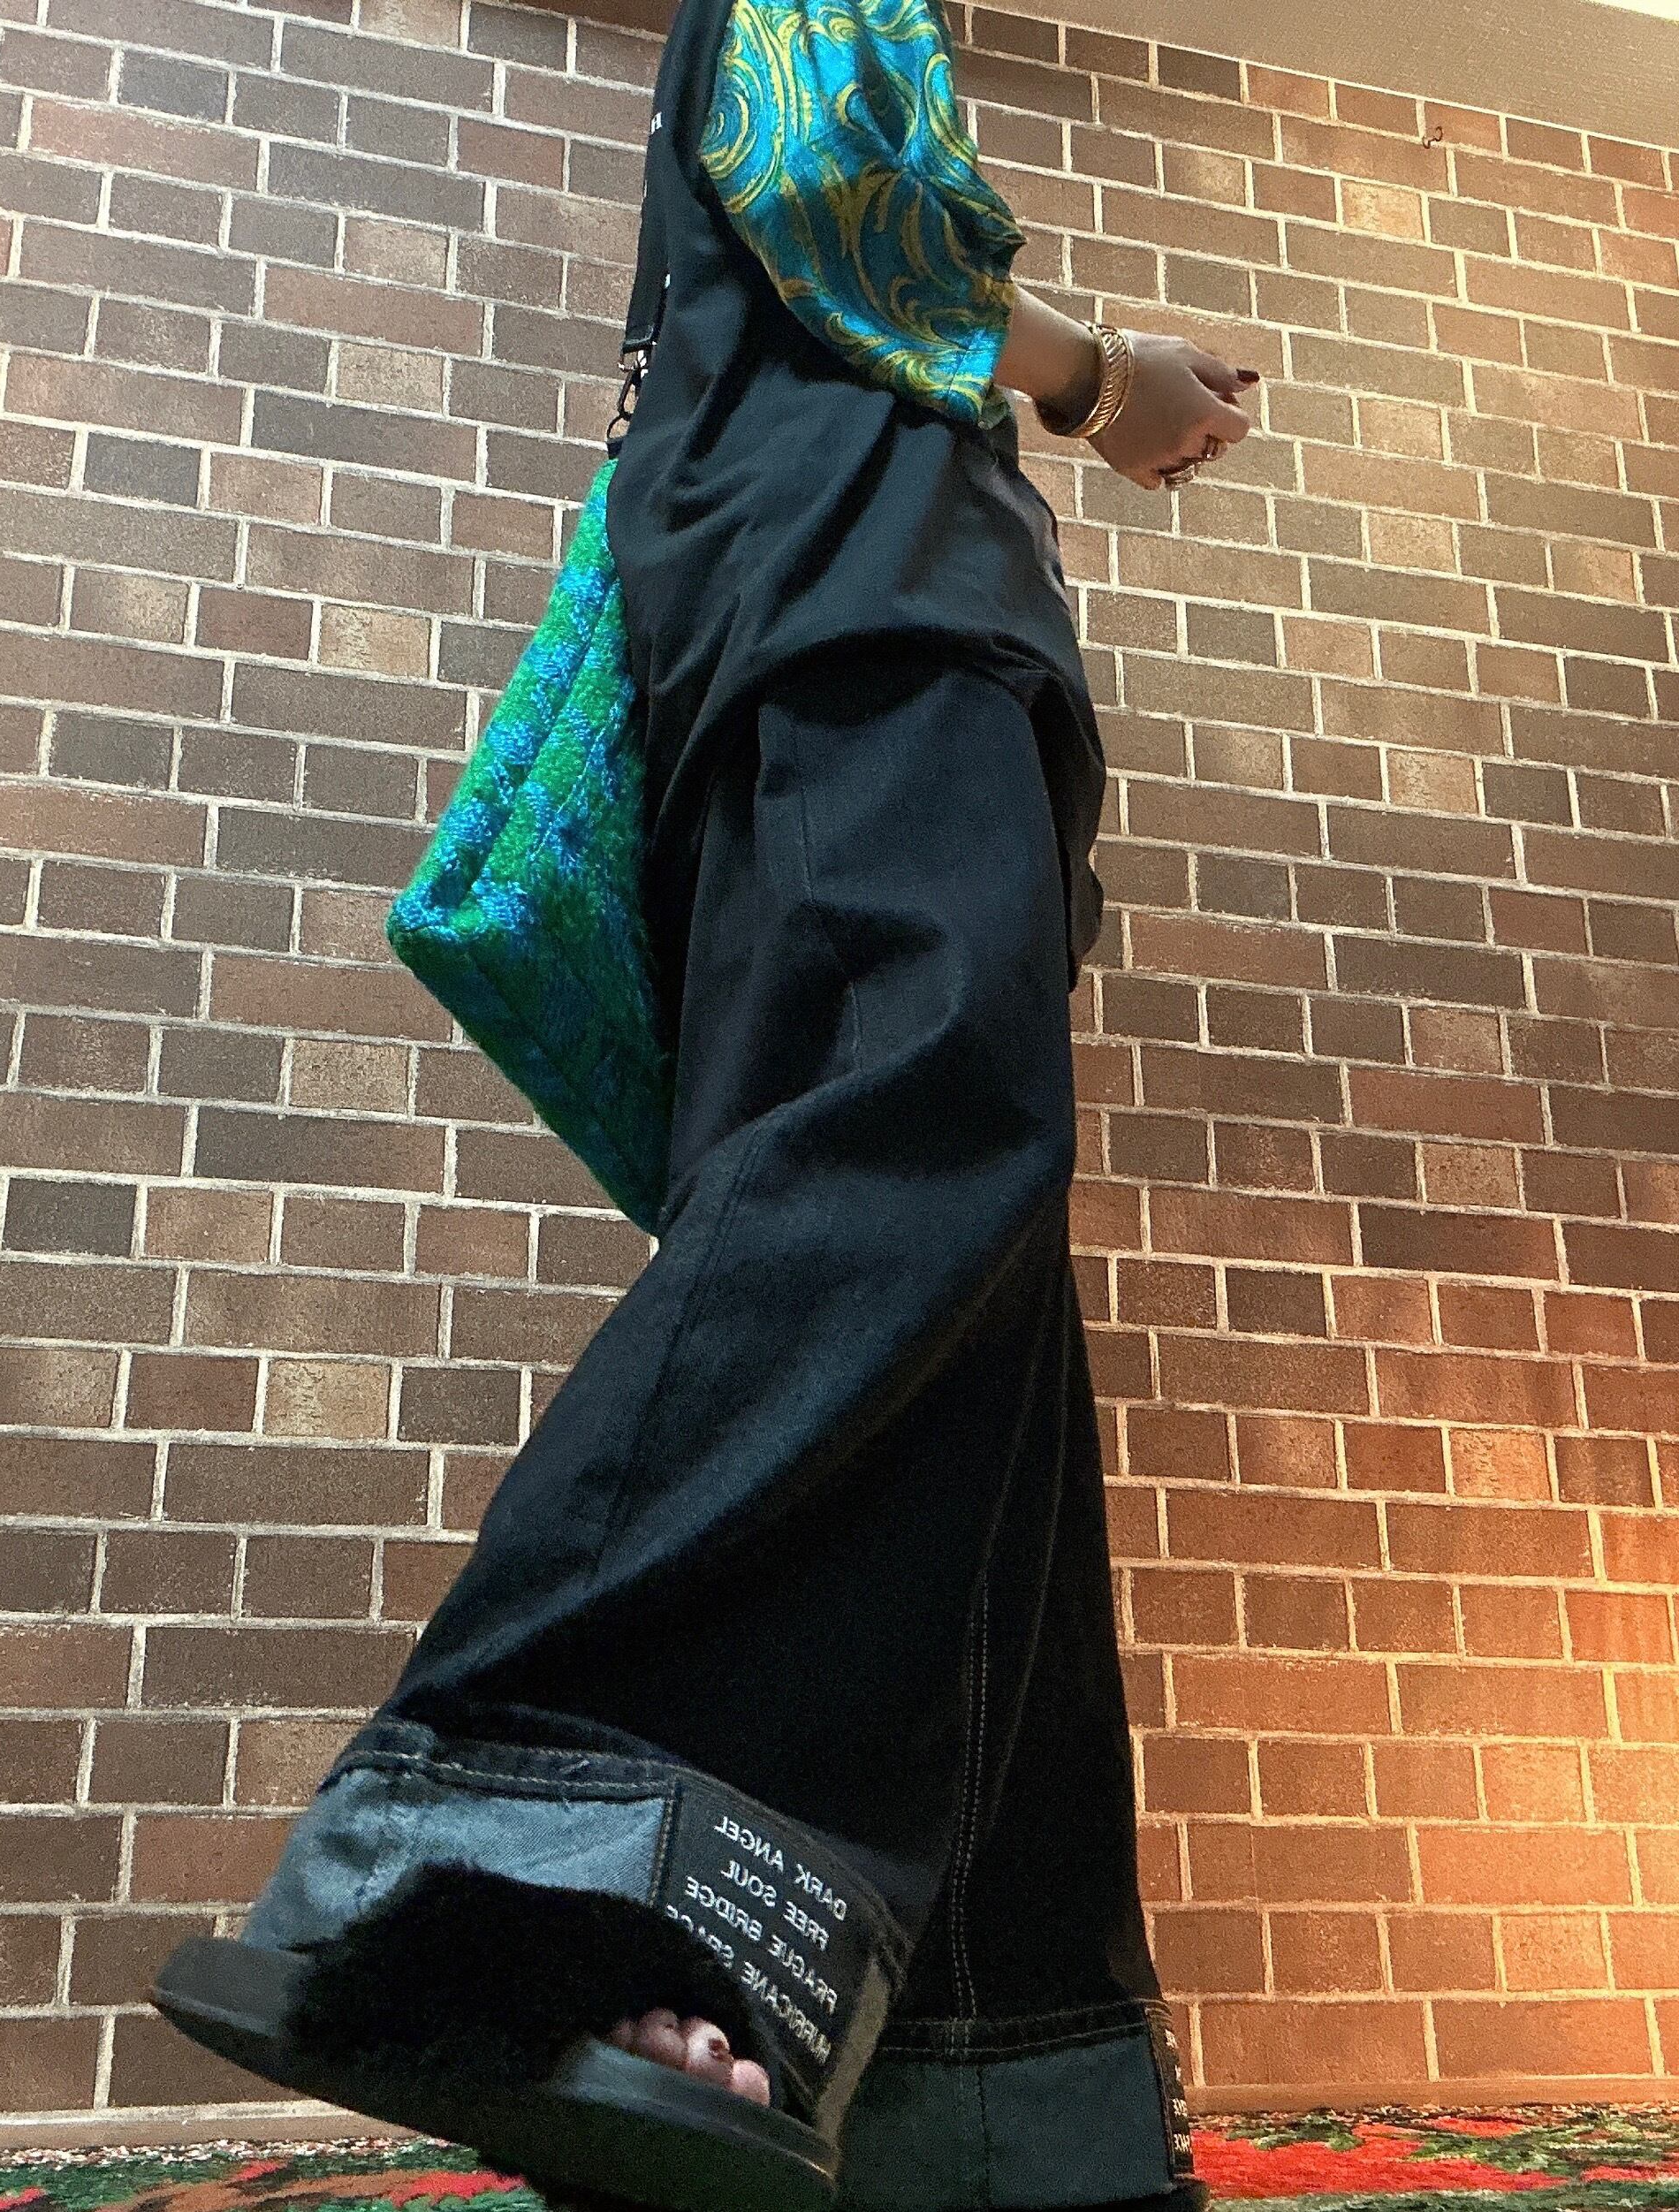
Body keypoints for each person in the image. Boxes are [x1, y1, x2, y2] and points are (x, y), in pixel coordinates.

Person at [153, 0, 1257, 2207]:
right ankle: (516, 1874)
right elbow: (850, 190)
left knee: (972, 1348)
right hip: (874, 621)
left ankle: (981, 2091)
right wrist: (1103, 383)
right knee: (920, 1131)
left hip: (775, 637)